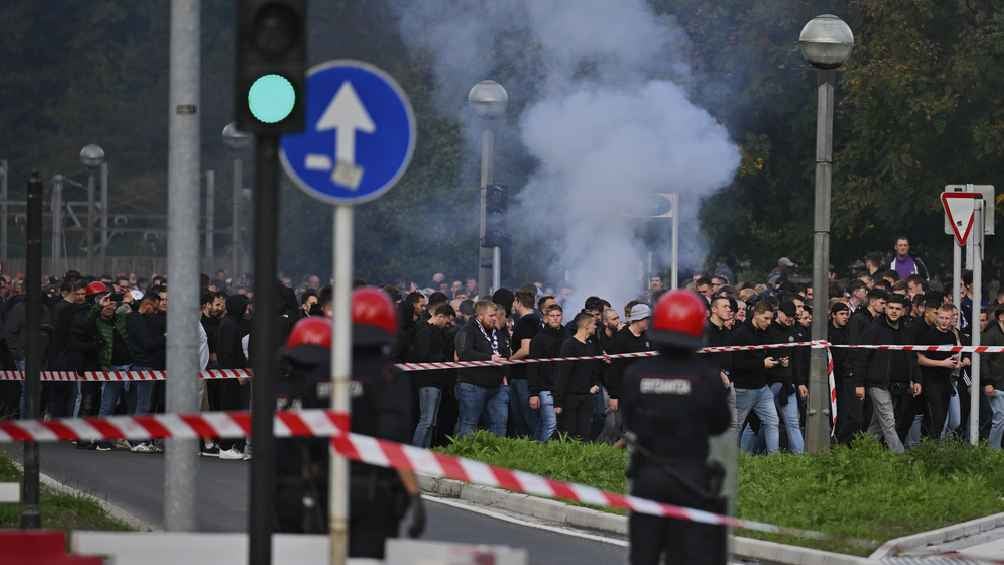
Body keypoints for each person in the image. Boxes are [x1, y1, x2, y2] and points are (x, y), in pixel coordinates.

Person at [275, 289, 425, 558]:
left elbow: (304, 439)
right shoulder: (392, 378)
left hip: (324, 489)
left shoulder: (322, 375)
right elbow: (394, 439)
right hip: (375, 493)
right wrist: (413, 494)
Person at [621, 290, 730, 565]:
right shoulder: (706, 375)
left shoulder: (637, 373)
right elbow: (720, 424)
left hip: (647, 476)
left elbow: (629, 421)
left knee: (643, 555)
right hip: (691, 479)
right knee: (688, 556)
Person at [856, 294, 917, 453]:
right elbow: (861, 357)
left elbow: (912, 357)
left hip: (898, 384)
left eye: (898, 309)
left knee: (877, 425)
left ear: (903, 311)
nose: (894, 311)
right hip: (877, 383)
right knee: (889, 421)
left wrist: (916, 379)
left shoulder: (907, 330)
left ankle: (861, 454)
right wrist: (859, 384)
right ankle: (900, 457)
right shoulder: (874, 329)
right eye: (891, 308)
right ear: (885, 308)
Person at [730, 301, 780, 454]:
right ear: (756, 315)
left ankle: (774, 459)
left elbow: (771, 350)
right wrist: (762, 363)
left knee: (773, 422)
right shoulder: (741, 334)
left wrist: (777, 360)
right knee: (736, 426)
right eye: (765, 318)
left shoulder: (767, 332)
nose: (768, 322)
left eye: (770, 319)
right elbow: (737, 363)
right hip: (743, 388)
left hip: (762, 388)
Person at [455, 300, 509, 437]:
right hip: (472, 384)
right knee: (469, 423)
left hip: (496, 384)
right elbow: (465, 353)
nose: (495, 318)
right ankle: (465, 455)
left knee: (500, 422)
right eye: (491, 315)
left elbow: (505, 351)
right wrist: (489, 358)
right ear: (480, 316)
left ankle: (497, 455)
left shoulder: (497, 331)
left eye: (495, 315)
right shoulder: (467, 330)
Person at [918, 304, 967, 440]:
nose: (944, 321)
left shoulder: (951, 335)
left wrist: (956, 361)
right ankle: (931, 448)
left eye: (948, 318)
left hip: (947, 380)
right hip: (931, 381)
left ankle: (939, 448)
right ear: (936, 318)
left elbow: (951, 357)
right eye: (942, 318)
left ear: (952, 319)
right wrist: (942, 363)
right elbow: (920, 359)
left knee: (946, 419)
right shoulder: (928, 335)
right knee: (937, 417)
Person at [410, 303, 455, 447]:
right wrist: (440, 359)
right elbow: (422, 355)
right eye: (447, 321)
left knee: (431, 422)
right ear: (440, 316)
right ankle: (417, 451)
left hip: (435, 381)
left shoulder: (434, 331)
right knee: (427, 421)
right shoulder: (424, 331)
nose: (448, 325)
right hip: (427, 380)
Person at [555, 312, 602, 440]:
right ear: (586, 325)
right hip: (571, 398)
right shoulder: (569, 345)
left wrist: (594, 384)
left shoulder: (590, 345)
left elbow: (593, 369)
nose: (595, 327)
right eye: (593, 324)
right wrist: (558, 402)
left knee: (585, 434)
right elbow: (563, 375)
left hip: (587, 398)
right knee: (570, 434)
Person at [527, 304, 568, 442]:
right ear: (546, 318)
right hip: (545, 388)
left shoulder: (567, 335)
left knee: (550, 424)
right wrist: (533, 393)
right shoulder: (539, 339)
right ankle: (542, 453)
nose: (556, 319)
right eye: (552, 316)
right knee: (550, 424)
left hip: (564, 387)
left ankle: (536, 449)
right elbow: (533, 367)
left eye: (558, 315)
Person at [829, 302, 863, 444]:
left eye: (846, 314)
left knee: (848, 414)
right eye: (841, 314)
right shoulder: (826, 331)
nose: (845, 317)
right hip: (830, 377)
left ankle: (843, 442)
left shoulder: (849, 331)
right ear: (833, 315)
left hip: (845, 377)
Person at [508, 290, 540, 438]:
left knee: (525, 417)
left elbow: (526, 349)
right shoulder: (536, 320)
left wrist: (510, 359)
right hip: (525, 375)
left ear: (518, 302)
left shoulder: (526, 321)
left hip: (523, 375)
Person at [982, 304, 1004, 449]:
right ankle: (992, 452)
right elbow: (983, 360)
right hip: (995, 384)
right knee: (1000, 418)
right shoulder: (991, 335)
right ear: (1001, 317)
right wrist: (988, 382)